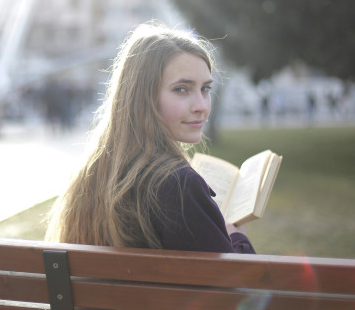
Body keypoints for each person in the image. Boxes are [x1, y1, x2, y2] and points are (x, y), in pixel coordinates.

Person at [45, 22, 255, 254]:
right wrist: (237, 237)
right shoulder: (179, 186)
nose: (201, 106)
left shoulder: (92, 174)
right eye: (182, 89)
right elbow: (238, 277)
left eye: (205, 89)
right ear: (143, 97)